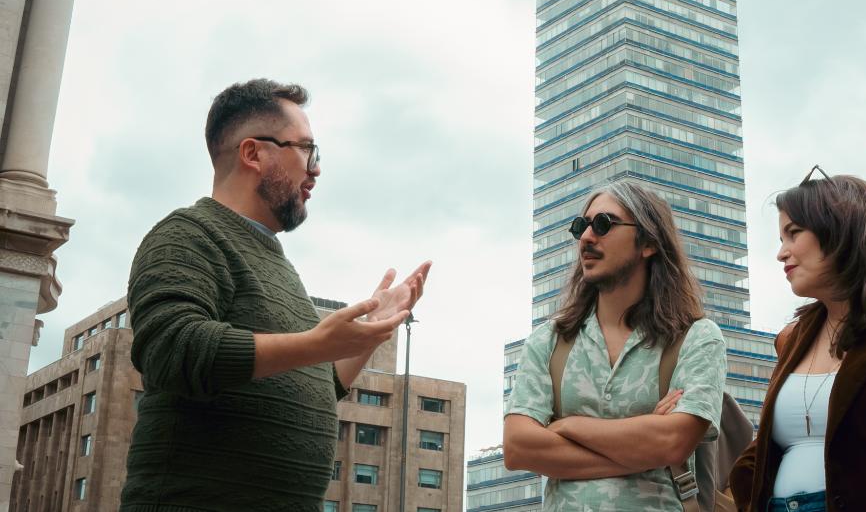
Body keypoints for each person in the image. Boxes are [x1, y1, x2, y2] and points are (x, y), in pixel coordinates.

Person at [121, 79, 430, 511]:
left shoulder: (277, 263)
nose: (316, 169)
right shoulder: (188, 234)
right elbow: (171, 348)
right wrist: (315, 344)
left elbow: (310, 381)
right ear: (253, 153)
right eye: (306, 149)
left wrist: (367, 334)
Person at [504, 179, 728, 510]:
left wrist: (567, 426)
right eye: (581, 227)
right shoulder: (549, 341)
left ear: (648, 242)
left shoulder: (696, 337)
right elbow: (518, 447)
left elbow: (673, 441)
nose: (586, 237)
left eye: (603, 224)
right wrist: (642, 447)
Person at [730, 168, 866, 512]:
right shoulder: (791, 339)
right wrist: (745, 482)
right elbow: (767, 446)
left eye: (793, 233)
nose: (781, 253)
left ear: (840, 230)